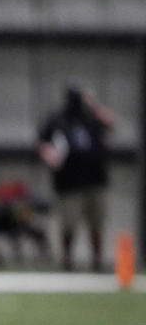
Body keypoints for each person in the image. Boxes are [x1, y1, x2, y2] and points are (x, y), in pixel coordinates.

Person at [37, 84, 115, 271]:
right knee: (69, 224)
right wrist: (49, 156)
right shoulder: (58, 119)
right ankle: (67, 259)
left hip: (95, 180)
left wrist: (94, 104)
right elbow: (43, 143)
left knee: (96, 223)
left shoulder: (91, 116)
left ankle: (97, 260)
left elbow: (111, 124)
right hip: (69, 182)